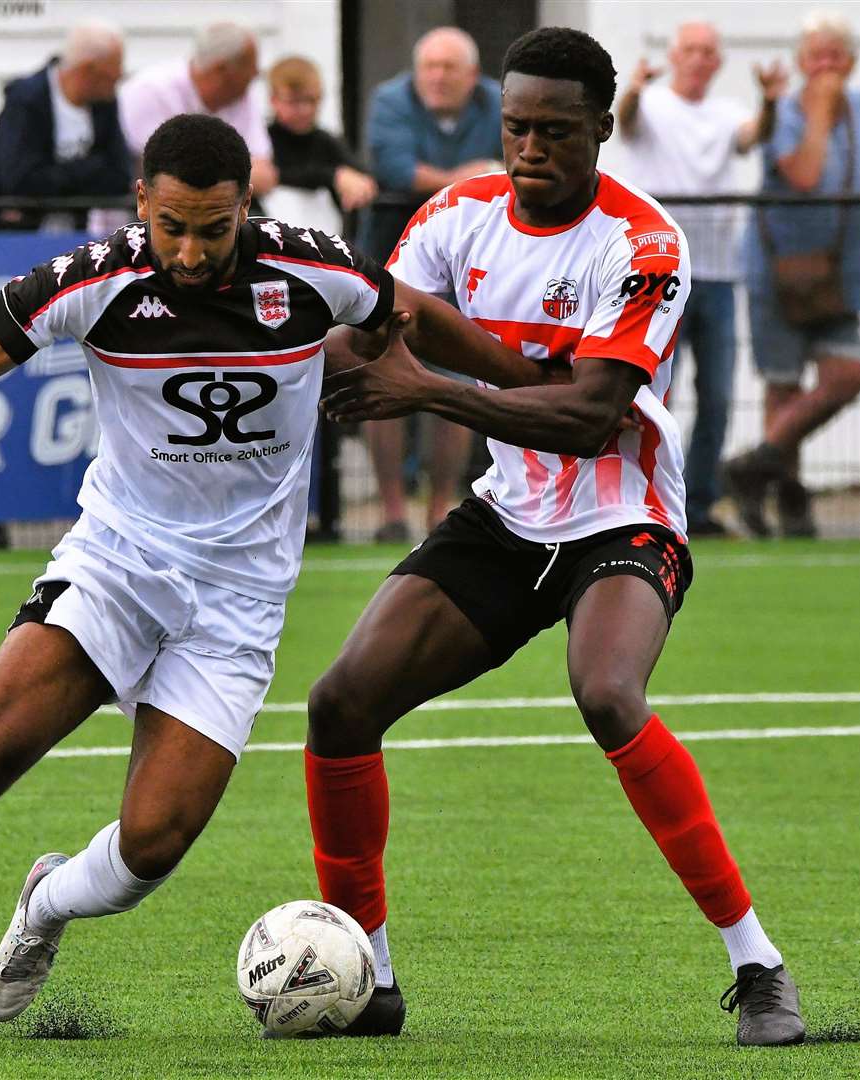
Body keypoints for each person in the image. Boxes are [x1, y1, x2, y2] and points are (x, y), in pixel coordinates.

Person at [0, 114, 562, 1042]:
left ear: (248, 206)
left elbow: (410, 316)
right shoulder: (94, 280)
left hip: (238, 603)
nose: (192, 250)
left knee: (150, 848)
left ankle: (45, 901)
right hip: (117, 562)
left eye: (214, 227)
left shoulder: (314, 268)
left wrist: (526, 382)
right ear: (141, 205)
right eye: (172, 226)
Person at [305, 27, 806, 1046]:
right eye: (515, 128)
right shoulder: (456, 216)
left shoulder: (645, 245)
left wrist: (430, 385)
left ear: (603, 130)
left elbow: (585, 417)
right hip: (507, 516)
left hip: (622, 519)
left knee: (607, 692)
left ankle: (757, 966)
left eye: (556, 132)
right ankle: (367, 979)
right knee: (340, 703)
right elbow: (382, 333)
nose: (530, 149)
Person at [724, 10, 860, 538]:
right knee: (783, 385)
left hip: (841, 273)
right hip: (777, 271)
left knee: (846, 376)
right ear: (800, 63)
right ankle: (788, 497)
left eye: (836, 57)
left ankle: (754, 466)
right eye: (817, 58)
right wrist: (817, 109)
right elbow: (806, 174)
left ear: (853, 63)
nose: (826, 68)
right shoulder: (784, 114)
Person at [617, 23, 787, 536]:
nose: (697, 59)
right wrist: (635, 88)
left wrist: (771, 101)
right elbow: (625, 121)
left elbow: (754, 134)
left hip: (715, 273)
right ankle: (640, 496)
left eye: (707, 52)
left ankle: (698, 504)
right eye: (690, 50)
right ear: (675, 56)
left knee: (716, 396)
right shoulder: (650, 105)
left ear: (717, 62)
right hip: (659, 274)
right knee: (650, 393)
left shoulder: (728, 113)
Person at [360, 27, 504, 542]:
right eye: (431, 67)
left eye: (450, 68)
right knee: (383, 377)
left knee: (458, 381)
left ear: (473, 74)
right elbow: (396, 170)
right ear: (416, 71)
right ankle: (393, 511)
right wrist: (476, 176)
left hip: (472, 262)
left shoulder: (498, 98)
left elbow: (515, 167)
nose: (439, 77)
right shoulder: (389, 101)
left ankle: (441, 507)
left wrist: (449, 177)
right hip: (392, 256)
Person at [0, 21, 129, 221]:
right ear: (87, 70)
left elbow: (119, 175)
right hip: (12, 231)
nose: (119, 76)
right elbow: (20, 181)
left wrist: (53, 177)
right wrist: (90, 168)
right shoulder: (26, 100)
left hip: (74, 233)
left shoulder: (104, 102)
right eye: (113, 73)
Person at [119, 24, 277, 198]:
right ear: (221, 69)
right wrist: (233, 171)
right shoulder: (149, 91)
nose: (256, 73)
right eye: (250, 66)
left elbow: (264, 176)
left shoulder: (240, 96)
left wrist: (204, 171)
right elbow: (160, 171)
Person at [264, 55, 377, 233]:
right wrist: (332, 177)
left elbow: (361, 175)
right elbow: (276, 175)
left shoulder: (326, 141)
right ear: (274, 100)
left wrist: (360, 185)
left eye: (311, 100)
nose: (304, 110)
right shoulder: (263, 140)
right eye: (293, 102)